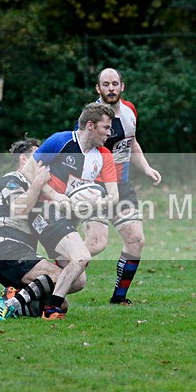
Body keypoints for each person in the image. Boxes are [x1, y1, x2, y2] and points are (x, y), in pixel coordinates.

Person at [16, 102, 119, 320]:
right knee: (80, 258)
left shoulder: (104, 155)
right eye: (106, 127)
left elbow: (113, 196)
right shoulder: (61, 141)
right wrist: (55, 196)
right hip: (44, 210)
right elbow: (27, 171)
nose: (111, 133)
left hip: (68, 216)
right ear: (90, 125)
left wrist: (93, 203)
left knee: (78, 280)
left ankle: (22, 296)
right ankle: (51, 309)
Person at [0, 139, 86, 320]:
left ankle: (13, 299)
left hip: (24, 255)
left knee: (67, 294)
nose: (43, 161)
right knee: (61, 278)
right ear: (23, 159)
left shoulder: (39, 188)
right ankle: (8, 303)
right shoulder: (12, 179)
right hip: (8, 252)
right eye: (37, 156)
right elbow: (19, 208)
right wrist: (37, 183)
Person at [81, 68, 162, 306]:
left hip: (122, 186)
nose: (111, 88)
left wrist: (146, 168)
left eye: (114, 83)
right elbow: (79, 150)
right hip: (94, 187)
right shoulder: (90, 116)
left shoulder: (130, 111)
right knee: (96, 243)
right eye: (105, 84)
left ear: (122, 86)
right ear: (98, 89)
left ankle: (119, 297)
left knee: (136, 239)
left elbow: (132, 143)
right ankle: (53, 275)